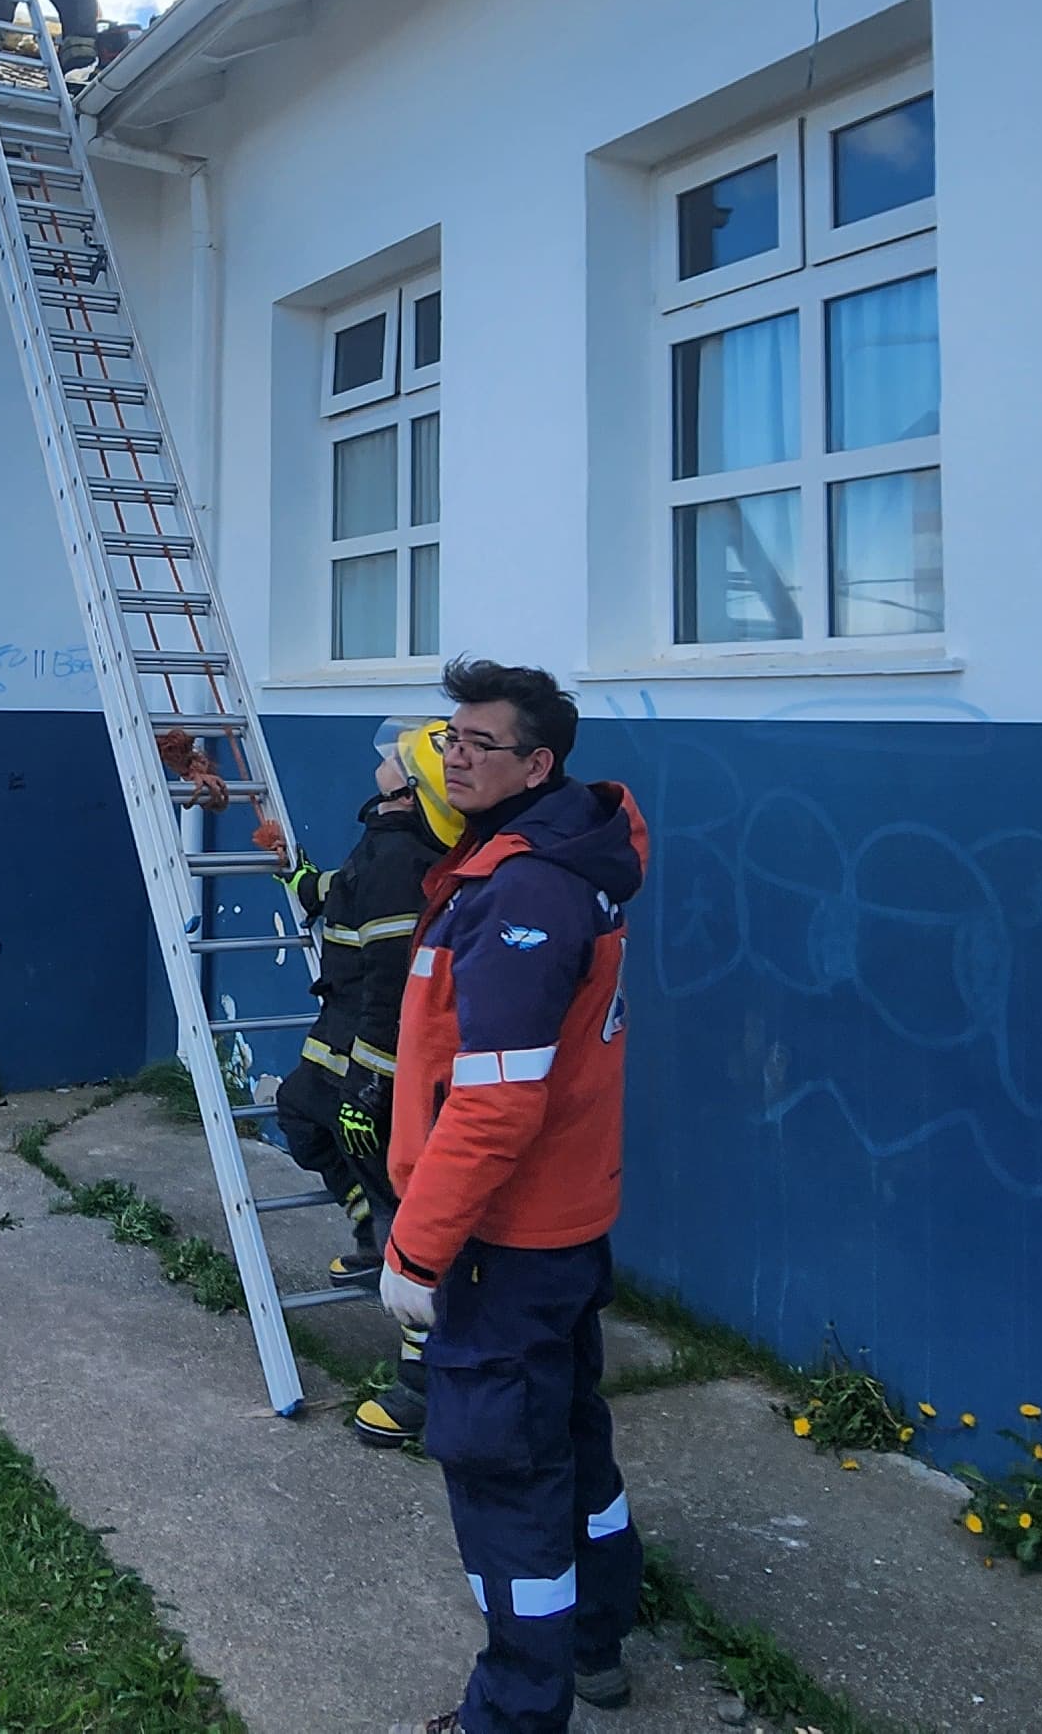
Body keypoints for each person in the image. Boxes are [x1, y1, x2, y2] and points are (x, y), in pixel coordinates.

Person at [377, 658, 648, 1734]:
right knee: (572, 1439)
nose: (453, 755)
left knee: (504, 1473)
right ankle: (597, 1642)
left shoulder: (524, 888)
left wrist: (416, 1249)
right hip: (561, 1229)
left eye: (476, 743)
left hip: (502, 1241)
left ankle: (513, 1712)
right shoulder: (538, 862)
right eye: (448, 739)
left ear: (536, 763)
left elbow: (493, 1103)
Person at [269, 716, 461, 1449]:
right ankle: (367, 1229)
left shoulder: (399, 857)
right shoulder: (384, 845)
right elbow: (337, 893)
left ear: (410, 795)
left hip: (370, 1047)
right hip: (343, 1034)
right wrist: (294, 874)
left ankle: (425, 1384)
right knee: (298, 1112)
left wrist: (374, 1087)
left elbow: (392, 982)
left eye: (399, 762)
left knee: (401, 1201)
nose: (384, 763)